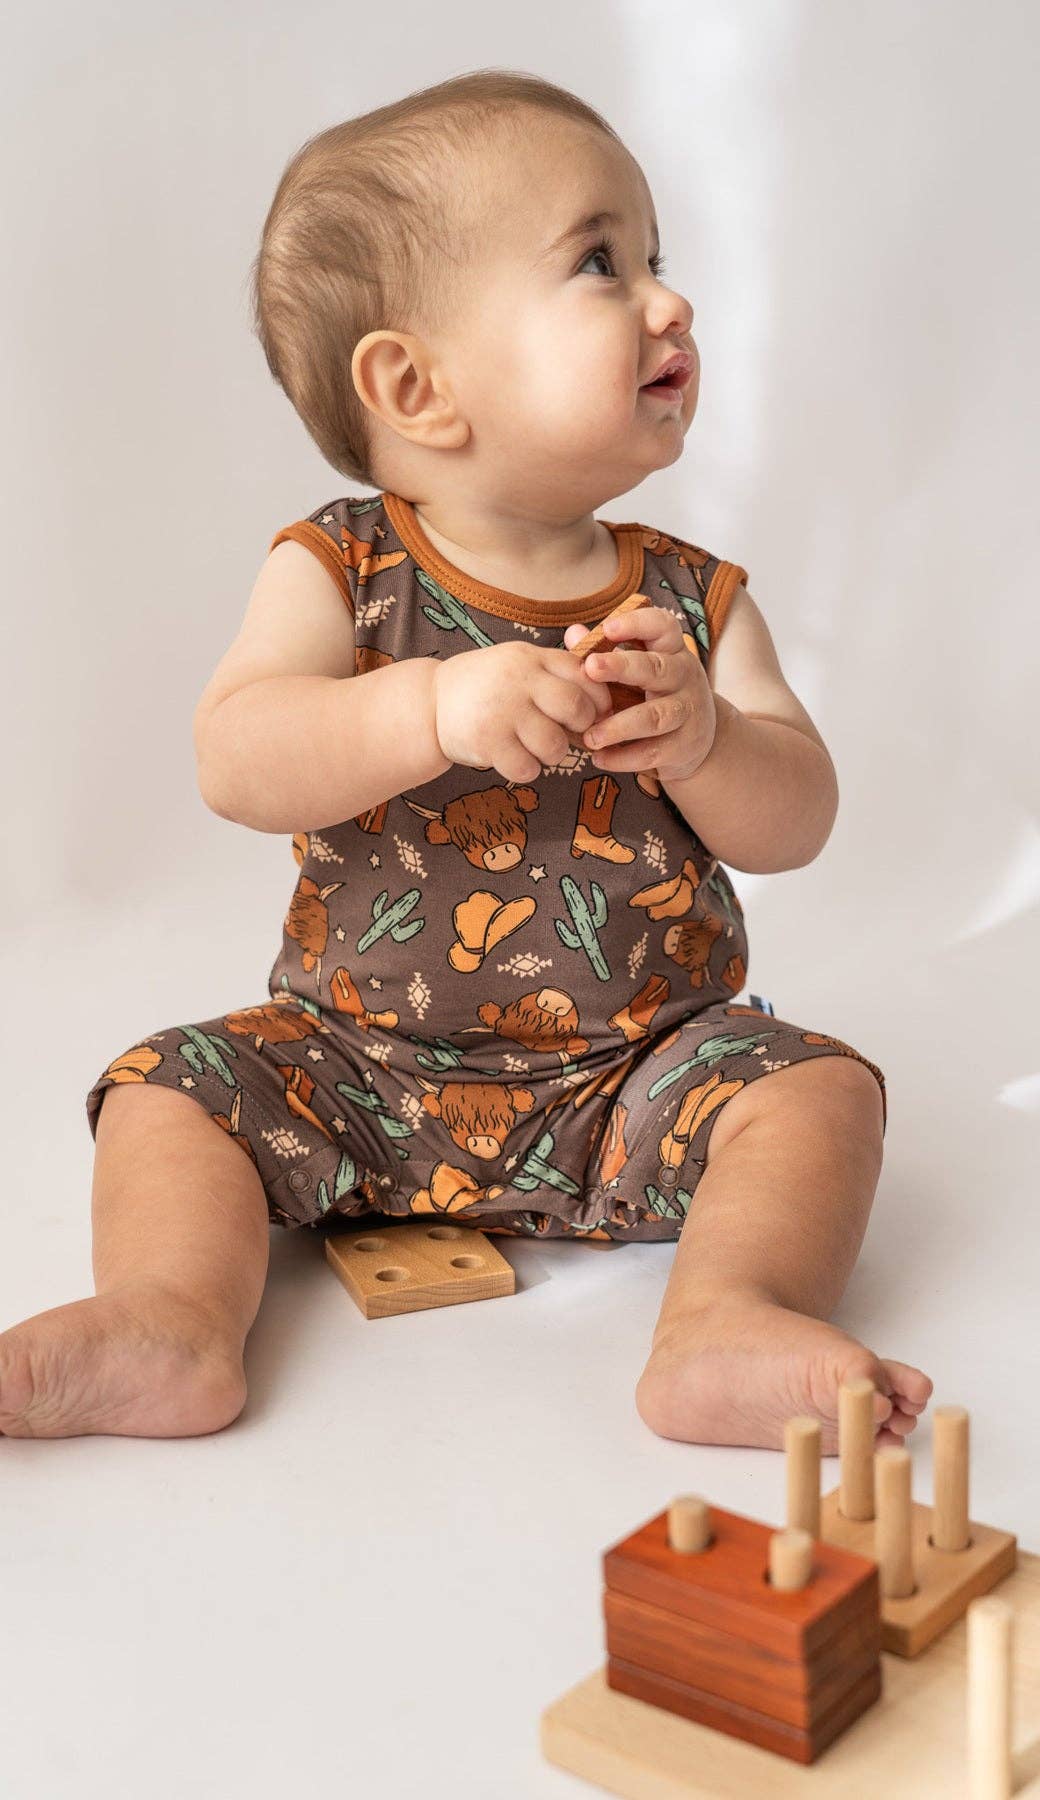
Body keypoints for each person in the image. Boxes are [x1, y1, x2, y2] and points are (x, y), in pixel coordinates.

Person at [0, 70, 932, 1449]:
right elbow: (235, 758)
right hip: (354, 1066)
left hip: (636, 1078)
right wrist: (424, 710)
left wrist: (710, 738)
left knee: (817, 1091)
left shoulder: (691, 605)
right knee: (166, 1090)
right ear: (416, 387)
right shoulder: (342, 570)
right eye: (602, 263)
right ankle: (168, 1318)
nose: (671, 301)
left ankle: (725, 1317)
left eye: (659, 258)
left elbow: (799, 819)